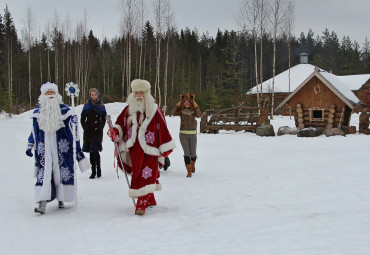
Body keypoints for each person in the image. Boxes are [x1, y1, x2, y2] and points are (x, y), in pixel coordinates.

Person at [108, 79, 175, 216]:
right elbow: (120, 123)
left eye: (141, 92)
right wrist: (115, 131)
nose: (139, 95)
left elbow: (162, 127)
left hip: (151, 149)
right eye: (136, 92)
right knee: (138, 172)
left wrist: (165, 145)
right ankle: (150, 198)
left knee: (147, 174)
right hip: (135, 149)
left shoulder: (155, 110)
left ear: (146, 93)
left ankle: (141, 203)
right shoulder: (129, 109)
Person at [26, 82, 90, 214]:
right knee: (44, 175)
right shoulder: (38, 112)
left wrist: (74, 122)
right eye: (48, 93)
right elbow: (33, 131)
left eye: (52, 92)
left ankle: (62, 198)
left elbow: (74, 131)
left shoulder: (65, 110)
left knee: (61, 174)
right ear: (43, 95)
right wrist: (30, 144)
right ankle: (42, 202)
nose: (50, 95)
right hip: (44, 151)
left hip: (62, 149)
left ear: (56, 94)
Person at [171, 93, 201, 178]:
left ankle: (193, 165)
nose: (186, 103)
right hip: (183, 135)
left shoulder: (194, 112)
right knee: (186, 153)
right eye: (185, 102)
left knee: (193, 154)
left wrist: (195, 104)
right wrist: (179, 104)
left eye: (188, 102)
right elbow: (172, 113)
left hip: (192, 135)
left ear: (191, 103)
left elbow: (199, 114)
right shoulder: (181, 112)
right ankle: (189, 171)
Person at [81, 88, 107, 179]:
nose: (94, 96)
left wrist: (100, 128)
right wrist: (86, 128)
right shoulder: (87, 105)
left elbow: (104, 118)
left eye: (95, 95)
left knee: (96, 151)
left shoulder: (101, 105)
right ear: (90, 95)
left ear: (97, 95)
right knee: (91, 152)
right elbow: (82, 118)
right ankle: (93, 171)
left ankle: (98, 169)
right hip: (89, 131)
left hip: (97, 131)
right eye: (92, 95)